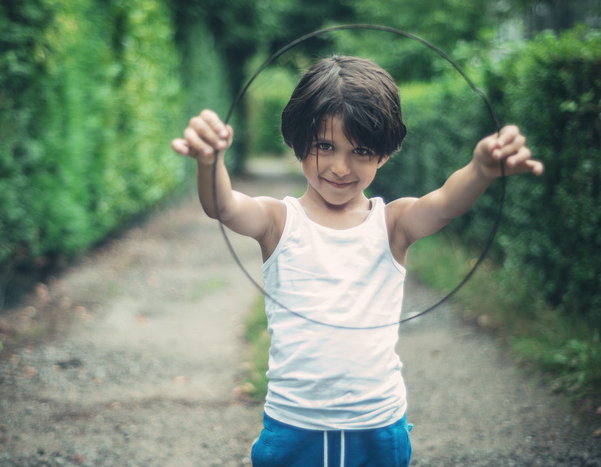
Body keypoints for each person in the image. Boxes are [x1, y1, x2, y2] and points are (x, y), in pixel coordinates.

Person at [171, 55, 543, 467]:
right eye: (325, 146)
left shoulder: (393, 223)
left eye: (361, 150)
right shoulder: (279, 220)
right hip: (294, 427)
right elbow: (222, 206)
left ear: (383, 155)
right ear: (298, 142)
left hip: (379, 426)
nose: (340, 167)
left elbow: (443, 204)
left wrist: (481, 169)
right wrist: (211, 162)